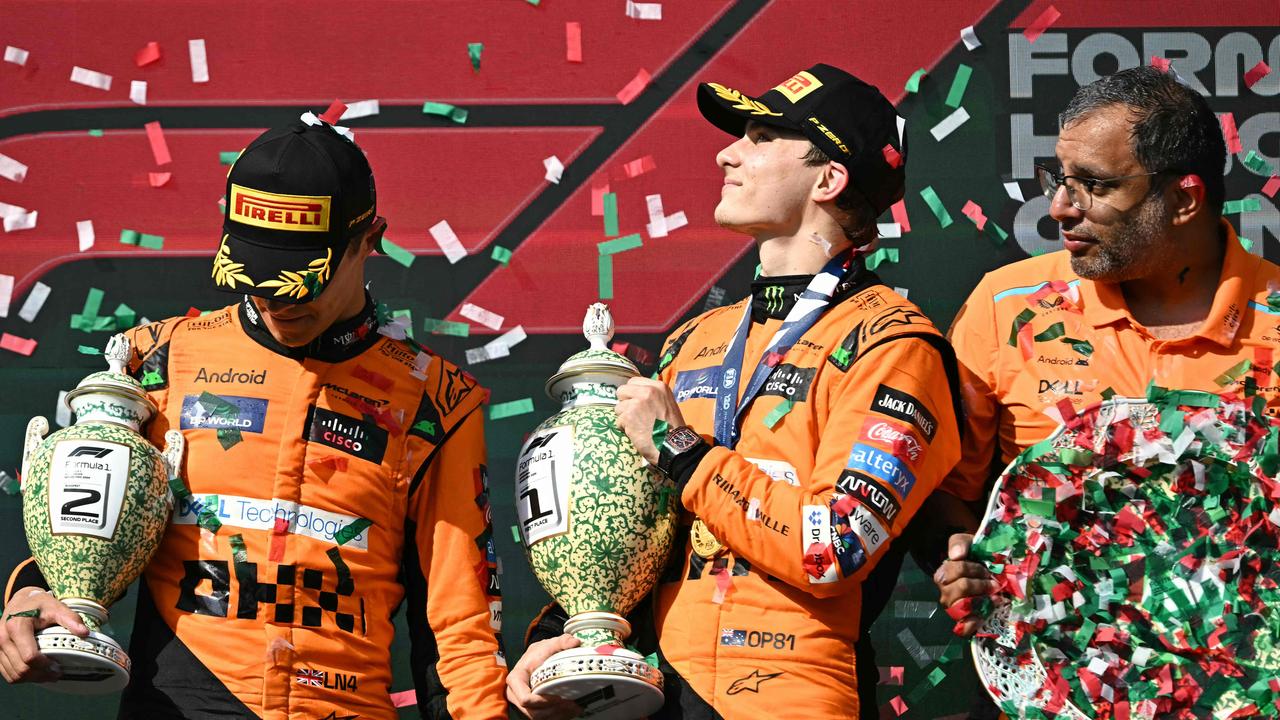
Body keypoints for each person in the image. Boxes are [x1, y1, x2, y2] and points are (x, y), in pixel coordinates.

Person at [0, 118, 508, 719]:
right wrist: (31, 593)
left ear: (370, 239)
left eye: (298, 277)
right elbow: (82, 531)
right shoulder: (156, 361)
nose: (274, 298)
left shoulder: (436, 400)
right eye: (255, 270)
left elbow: (460, 630)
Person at [508, 63, 963, 719]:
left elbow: (833, 546)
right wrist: (570, 637)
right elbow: (642, 529)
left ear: (829, 178)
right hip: (662, 697)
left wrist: (683, 452)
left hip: (796, 698)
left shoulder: (893, 346)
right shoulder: (692, 340)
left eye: (761, 137)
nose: (728, 153)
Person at [931, 64, 1280, 685]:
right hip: (1053, 686)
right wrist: (963, 558)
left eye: (1094, 184)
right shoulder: (1007, 306)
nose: (1060, 207)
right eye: (1058, 179)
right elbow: (948, 491)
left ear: (1184, 199)